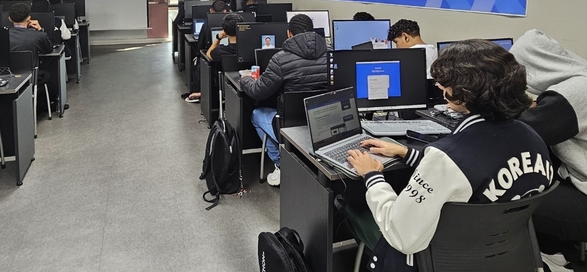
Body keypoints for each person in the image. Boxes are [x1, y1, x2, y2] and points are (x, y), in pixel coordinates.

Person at [345, 40, 554, 271]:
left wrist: (372, 175)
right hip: (503, 255)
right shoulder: (533, 139)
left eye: (446, 82)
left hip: (438, 259)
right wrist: (407, 153)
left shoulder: (447, 158)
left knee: (350, 207)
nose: (439, 85)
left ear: (467, 92)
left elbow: (402, 237)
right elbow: (465, 175)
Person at [510, 29, 587, 271]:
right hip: (575, 180)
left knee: (510, 194)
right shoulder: (578, 78)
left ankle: (549, 259)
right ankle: (558, 250)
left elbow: (521, 133)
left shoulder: (572, 95)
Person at [239, 14, 328, 186]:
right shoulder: (331, 55)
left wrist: (246, 79)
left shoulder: (280, 59)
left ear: (289, 34)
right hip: (322, 124)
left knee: (257, 114)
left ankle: (280, 164)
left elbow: (258, 91)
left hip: (290, 127)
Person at [185, 0, 229, 103]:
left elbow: (200, 46)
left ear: (211, 11)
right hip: (229, 60)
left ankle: (198, 91)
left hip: (212, 57)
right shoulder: (233, 24)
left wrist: (197, 55)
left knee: (197, 62)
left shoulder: (206, 25)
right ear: (225, 11)